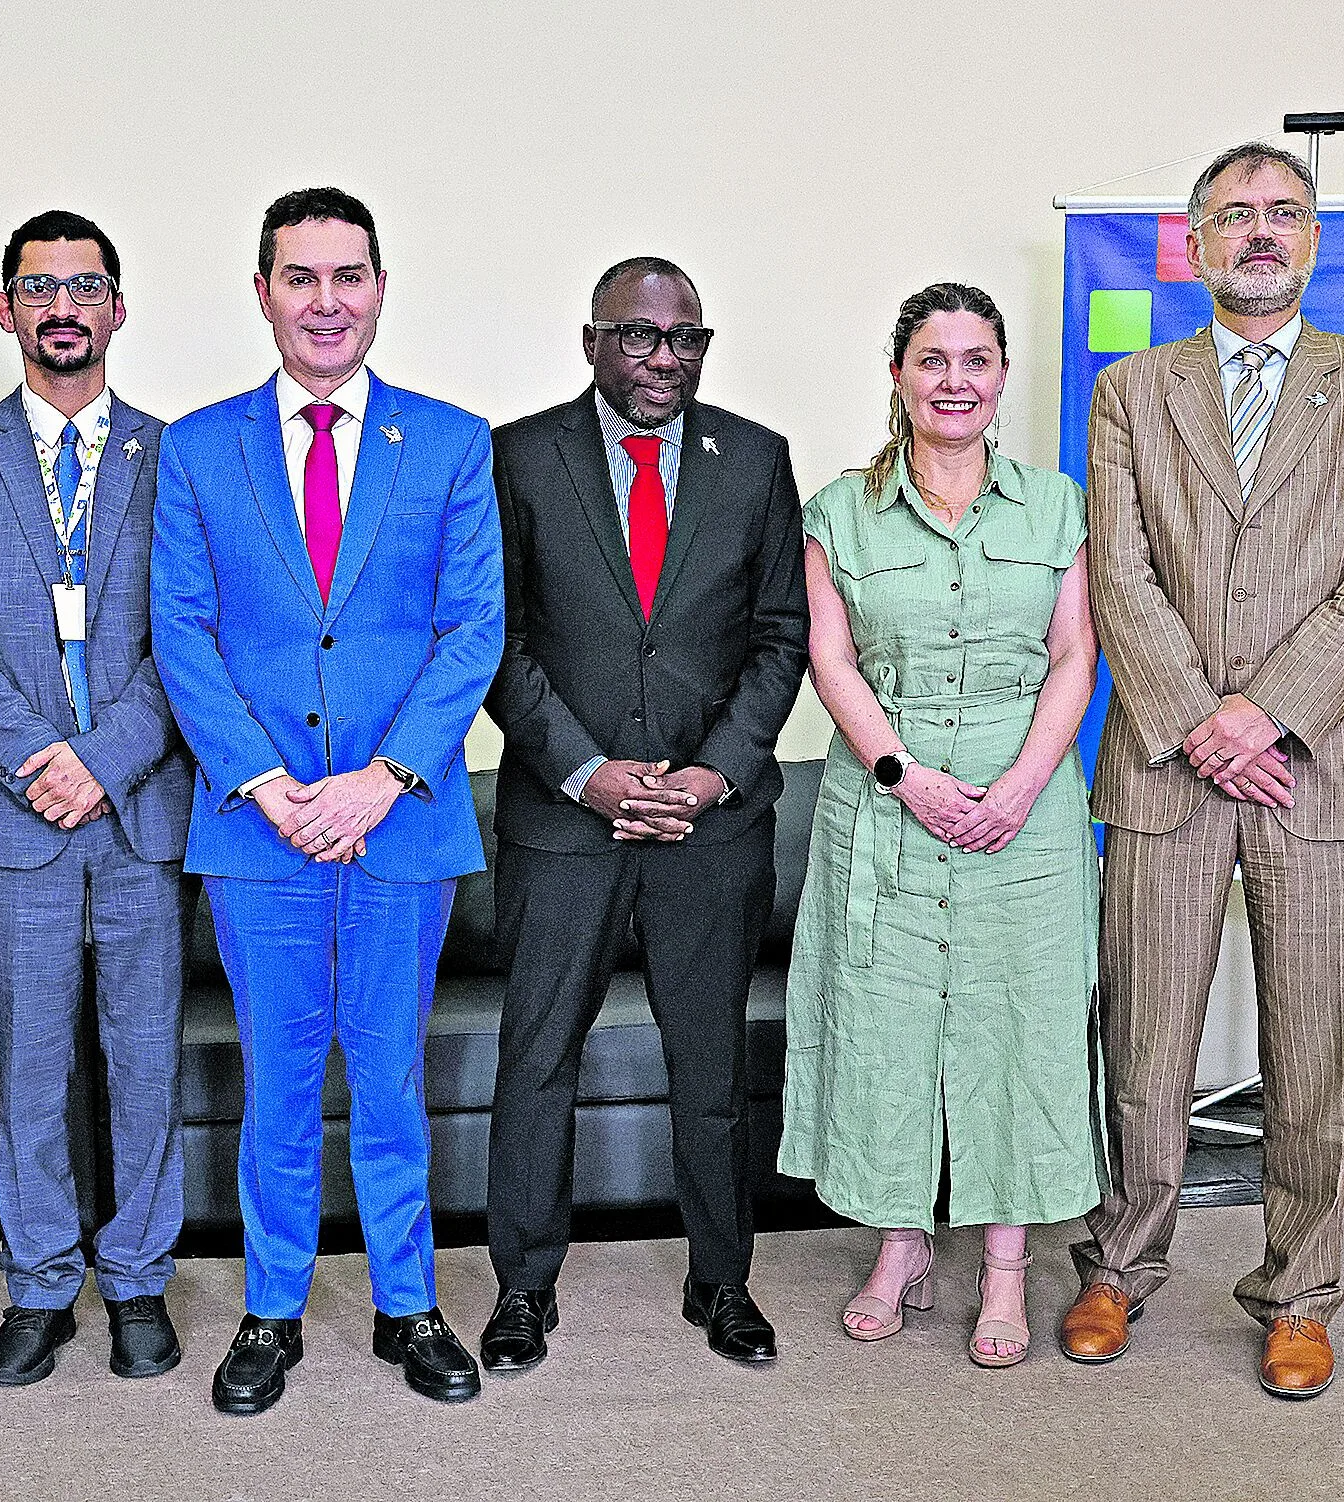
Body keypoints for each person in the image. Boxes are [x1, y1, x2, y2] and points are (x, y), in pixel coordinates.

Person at [1064, 142, 1344, 1399]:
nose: (1259, 232)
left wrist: (1265, 717)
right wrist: (1198, 720)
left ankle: (1298, 1290)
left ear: (1312, 238)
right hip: (1166, 769)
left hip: (1317, 772)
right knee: (1143, 1040)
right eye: (1235, 215)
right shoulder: (1130, 389)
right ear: (1194, 242)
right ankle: (1118, 1263)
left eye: (1282, 213)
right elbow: (1118, 573)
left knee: (1318, 1056)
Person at [150, 187, 504, 1415]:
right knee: (279, 1074)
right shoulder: (195, 449)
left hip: (400, 820)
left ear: (379, 288)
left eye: (347, 276)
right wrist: (266, 782)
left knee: (392, 1075)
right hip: (260, 829)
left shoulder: (452, 444)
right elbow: (181, 634)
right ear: (261, 294)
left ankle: (409, 1304)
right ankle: (271, 1308)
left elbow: (471, 633)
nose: (325, 301)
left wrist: (381, 776)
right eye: (298, 278)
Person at [480, 257, 807, 1371]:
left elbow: (778, 638)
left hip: (709, 825)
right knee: (535, 1060)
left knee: (710, 1062)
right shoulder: (518, 456)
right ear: (590, 342)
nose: (660, 358)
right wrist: (587, 771)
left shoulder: (754, 458)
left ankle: (721, 1280)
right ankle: (522, 1284)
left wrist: (710, 774)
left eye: (681, 339)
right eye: (635, 335)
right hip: (562, 820)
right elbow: (497, 639)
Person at [778, 283, 1102, 1367]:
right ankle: (899, 1243)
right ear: (897, 375)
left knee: (1022, 1023)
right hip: (885, 797)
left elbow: (1074, 656)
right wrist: (903, 774)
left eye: (974, 358)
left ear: (1001, 373)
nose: (953, 378)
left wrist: (1018, 783)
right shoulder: (836, 509)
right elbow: (829, 657)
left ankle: (1005, 1264)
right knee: (885, 1022)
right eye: (931, 359)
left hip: (1030, 806)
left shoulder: (1056, 506)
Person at [0, 210, 192, 1388]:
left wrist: (107, 757)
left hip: (138, 812)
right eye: (40, 287)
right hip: (12, 812)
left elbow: (192, 639)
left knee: (143, 1056)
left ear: (119, 308)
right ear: (5, 310)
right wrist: (45, 758)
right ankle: (38, 1286)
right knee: (27, 1058)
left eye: (85, 286)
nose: (62, 307)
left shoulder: (178, 456)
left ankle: (135, 1278)